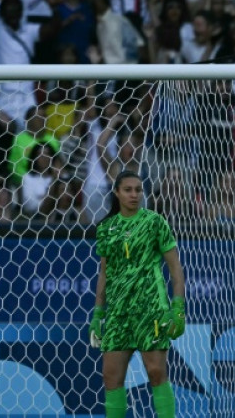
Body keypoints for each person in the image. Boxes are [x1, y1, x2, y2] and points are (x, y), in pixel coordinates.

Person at [89, 170, 185, 418]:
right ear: (117, 193)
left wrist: (177, 309)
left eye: (138, 190)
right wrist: (98, 313)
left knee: (156, 372)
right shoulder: (106, 228)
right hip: (118, 313)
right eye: (128, 190)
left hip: (150, 310)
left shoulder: (155, 222)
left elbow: (176, 269)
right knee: (111, 377)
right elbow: (104, 274)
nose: (134, 195)